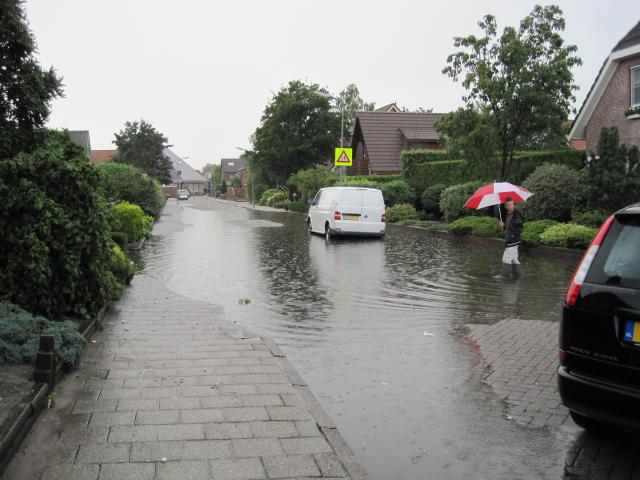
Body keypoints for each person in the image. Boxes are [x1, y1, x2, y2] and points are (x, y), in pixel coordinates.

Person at [500, 197, 523, 277]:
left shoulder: (516, 215)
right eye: (508, 205)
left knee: (506, 259)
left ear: (513, 204)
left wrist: (512, 237)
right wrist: (503, 226)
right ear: (505, 206)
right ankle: (518, 276)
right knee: (513, 259)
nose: (510, 206)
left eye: (512, 204)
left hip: (512, 241)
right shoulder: (508, 214)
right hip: (513, 240)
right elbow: (509, 227)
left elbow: (518, 228)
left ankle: (504, 278)